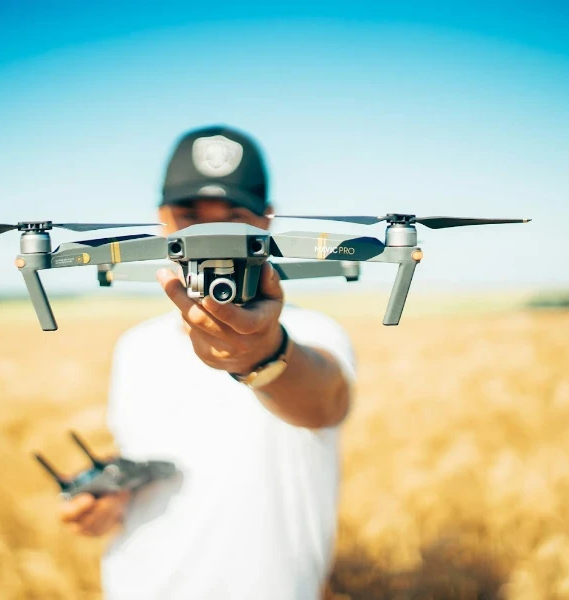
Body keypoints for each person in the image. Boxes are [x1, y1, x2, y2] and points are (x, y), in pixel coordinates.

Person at [59, 125, 357, 600]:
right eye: (190, 218)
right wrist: (109, 498)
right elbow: (152, 452)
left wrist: (265, 353)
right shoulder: (135, 347)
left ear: (265, 221)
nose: (210, 238)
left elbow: (323, 402)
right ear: (162, 219)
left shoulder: (317, 334)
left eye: (232, 219)